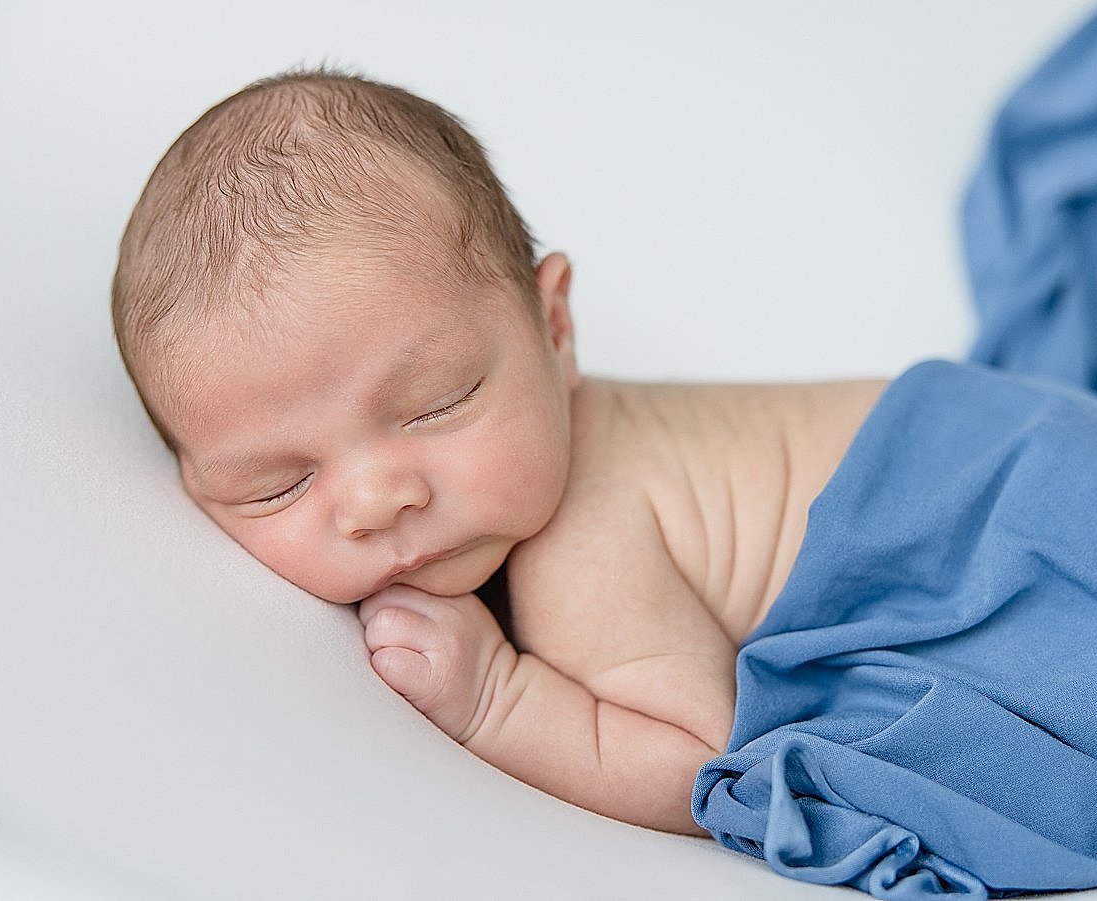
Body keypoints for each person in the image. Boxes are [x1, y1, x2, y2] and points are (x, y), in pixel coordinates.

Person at [111, 68, 887, 835]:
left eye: (437, 405)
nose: (377, 500)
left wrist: (496, 697)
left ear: (556, 330)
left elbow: (701, 763)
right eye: (277, 483)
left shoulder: (580, 539)